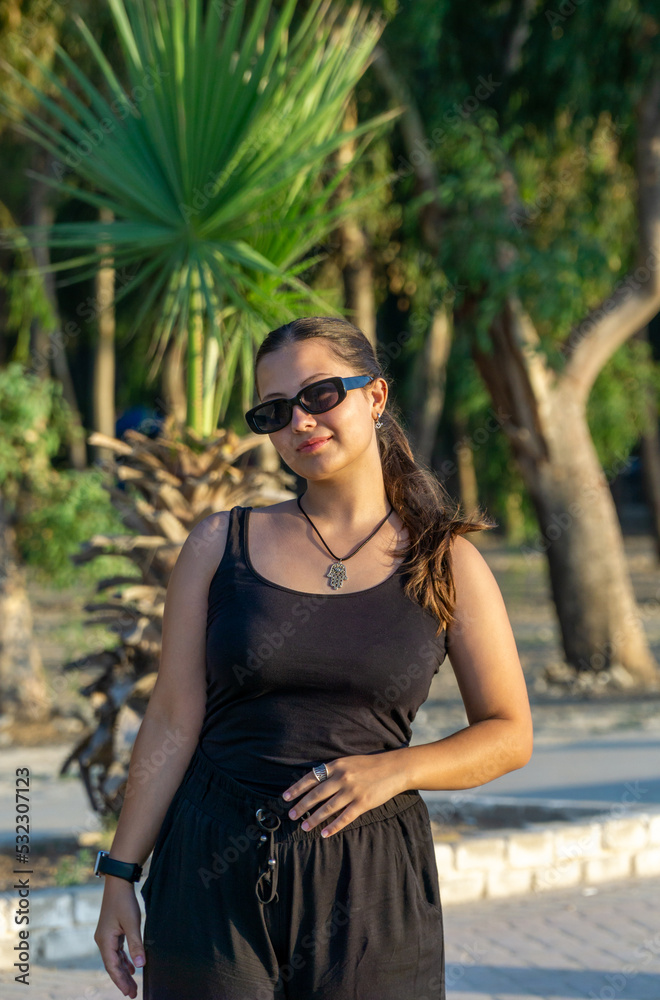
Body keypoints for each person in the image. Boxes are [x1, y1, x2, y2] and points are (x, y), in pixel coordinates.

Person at [93, 316, 533, 999]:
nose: (299, 420)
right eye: (275, 410)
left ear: (376, 398)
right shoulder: (219, 544)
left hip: (371, 881)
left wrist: (394, 771)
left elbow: (509, 733)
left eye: (321, 394)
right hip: (211, 871)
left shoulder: (446, 563)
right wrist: (120, 874)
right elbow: (174, 719)